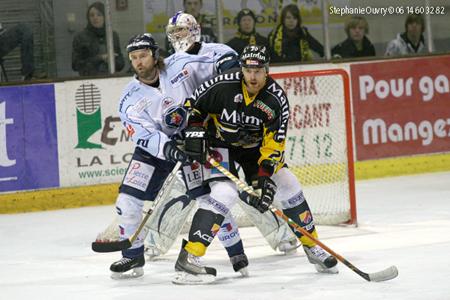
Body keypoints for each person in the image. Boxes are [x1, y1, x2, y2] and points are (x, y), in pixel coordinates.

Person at [172, 45, 338, 284]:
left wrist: (263, 177)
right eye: (248, 70)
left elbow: (274, 146)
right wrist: (195, 131)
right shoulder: (222, 85)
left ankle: (312, 247)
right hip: (220, 145)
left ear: (267, 71)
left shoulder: (276, 99)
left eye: (258, 70)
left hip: (254, 151)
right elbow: (194, 107)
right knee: (224, 193)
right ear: (241, 69)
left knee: (288, 183)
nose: (252, 76)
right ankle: (190, 257)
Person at [108, 32, 248, 279]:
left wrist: (228, 63)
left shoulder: (181, 64)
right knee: (126, 203)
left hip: (194, 140)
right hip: (155, 151)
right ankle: (132, 256)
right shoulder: (129, 98)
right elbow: (141, 133)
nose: (139, 62)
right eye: (134, 58)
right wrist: (166, 148)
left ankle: (235, 251)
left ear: (154, 55)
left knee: (211, 200)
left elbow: (215, 56)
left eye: (143, 55)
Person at [72, 1, 124, 76]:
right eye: (92, 15)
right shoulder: (80, 37)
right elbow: (75, 65)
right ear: (88, 18)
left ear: (105, 17)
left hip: (111, 79)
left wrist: (112, 60)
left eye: (99, 15)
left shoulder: (112, 35)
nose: (95, 18)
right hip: (89, 80)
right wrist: (100, 58)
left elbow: (121, 64)